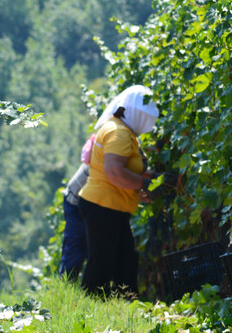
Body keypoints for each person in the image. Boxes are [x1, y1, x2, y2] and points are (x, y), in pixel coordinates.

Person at [77, 85, 160, 297]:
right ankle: (89, 315)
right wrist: (143, 184)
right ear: (134, 113)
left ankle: (125, 309)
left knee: (125, 262)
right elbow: (114, 172)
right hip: (103, 206)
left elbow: (121, 174)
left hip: (109, 207)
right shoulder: (118, 133)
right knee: (101, 265)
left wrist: (142, 184)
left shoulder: (121, 130)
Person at [58, 163, 89, 280]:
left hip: (88, 200)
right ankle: (65, 290)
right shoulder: (113, 149)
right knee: (75, 250)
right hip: (75, 201)